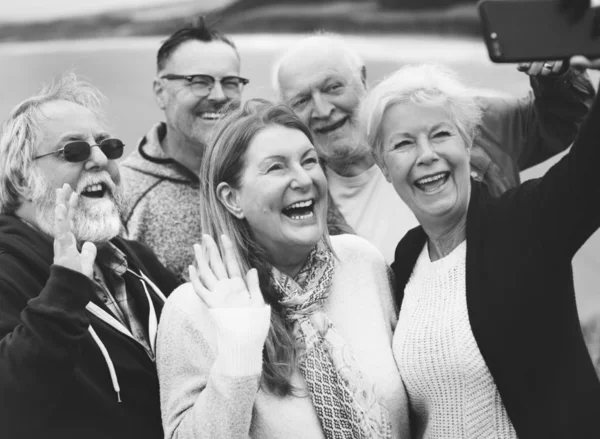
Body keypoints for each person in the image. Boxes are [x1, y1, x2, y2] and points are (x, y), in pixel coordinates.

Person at [359, 57, 600, 438]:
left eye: (440, 134)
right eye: (403, 143)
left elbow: (592, 169)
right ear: (384, 166)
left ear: (468, 140)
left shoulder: (525, 223)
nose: (426, 155)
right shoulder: (407, 259)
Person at [156, 100, 410, 438]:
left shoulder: (362, 263)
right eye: (276, 167)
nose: (303, 179)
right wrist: (239, 344)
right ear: (232, 199)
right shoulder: (192, 309)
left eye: (309, 161)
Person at [273, 33, 595, 263]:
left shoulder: (457, 119)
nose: (322, 109)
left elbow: (564, 120)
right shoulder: (300, 201)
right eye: (301, 100)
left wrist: (557, 72)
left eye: (333, 88)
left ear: (362, 78)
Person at [0, 73, 181, 439]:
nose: (100, 159)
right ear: (21, 179)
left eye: (108, 146)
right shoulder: (7, 271)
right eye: (74, 151)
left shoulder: (133, 260)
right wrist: (62, 295)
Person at [120, 18, 249, 279]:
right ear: (160, 92)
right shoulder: (124, 192)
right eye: (199, 81)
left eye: (230, 82)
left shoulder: (265, 169)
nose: (218, 96)